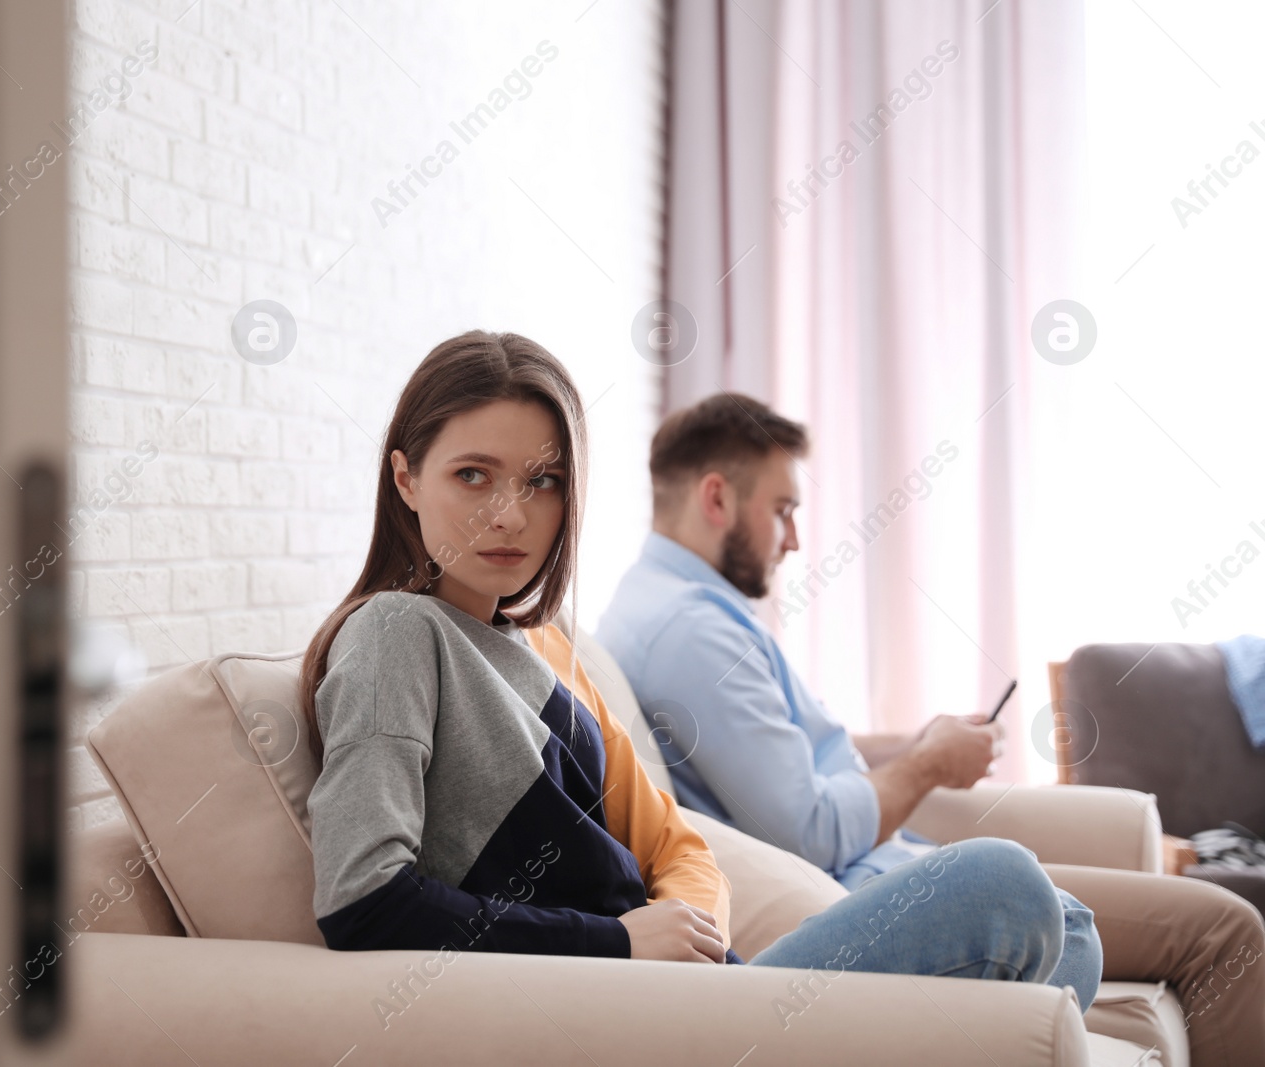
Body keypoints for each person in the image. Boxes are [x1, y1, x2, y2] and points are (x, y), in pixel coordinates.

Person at [302, 331, 1097, 1004]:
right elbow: (363, 900)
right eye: (472, 474)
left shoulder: (526, 640)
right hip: (642, 1012)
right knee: (1006, 886)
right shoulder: (396, 633)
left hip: (697, 991)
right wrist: (615, 943)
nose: (511, 514)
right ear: (406, 477)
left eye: (542, 481)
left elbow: (675, 846)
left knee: (1072, 935)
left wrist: (680, 938)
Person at [596, 390, 1265, 1059]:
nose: (795, 538)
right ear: (716, 499)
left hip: (881, 861)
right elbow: (813, 829)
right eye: (784, 510)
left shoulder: (670, 604)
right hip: (858, 882)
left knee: (1150, 925)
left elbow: (783, 756)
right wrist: (928, 767)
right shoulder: (692, 634)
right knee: (1219, 927)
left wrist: (918, 742)